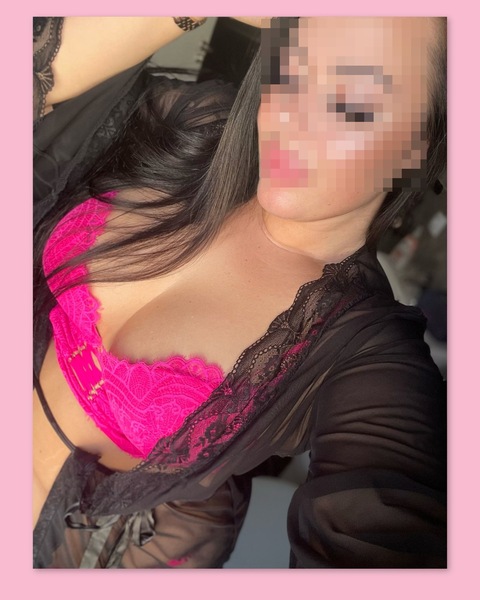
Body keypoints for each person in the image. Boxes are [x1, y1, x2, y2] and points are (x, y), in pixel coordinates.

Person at [33, 16, 447, 568]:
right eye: (292, 72)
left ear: (417, 145)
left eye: (352, 104)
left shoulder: (364, 350)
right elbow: (35, 81)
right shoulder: (199, 130)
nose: (293, 119)